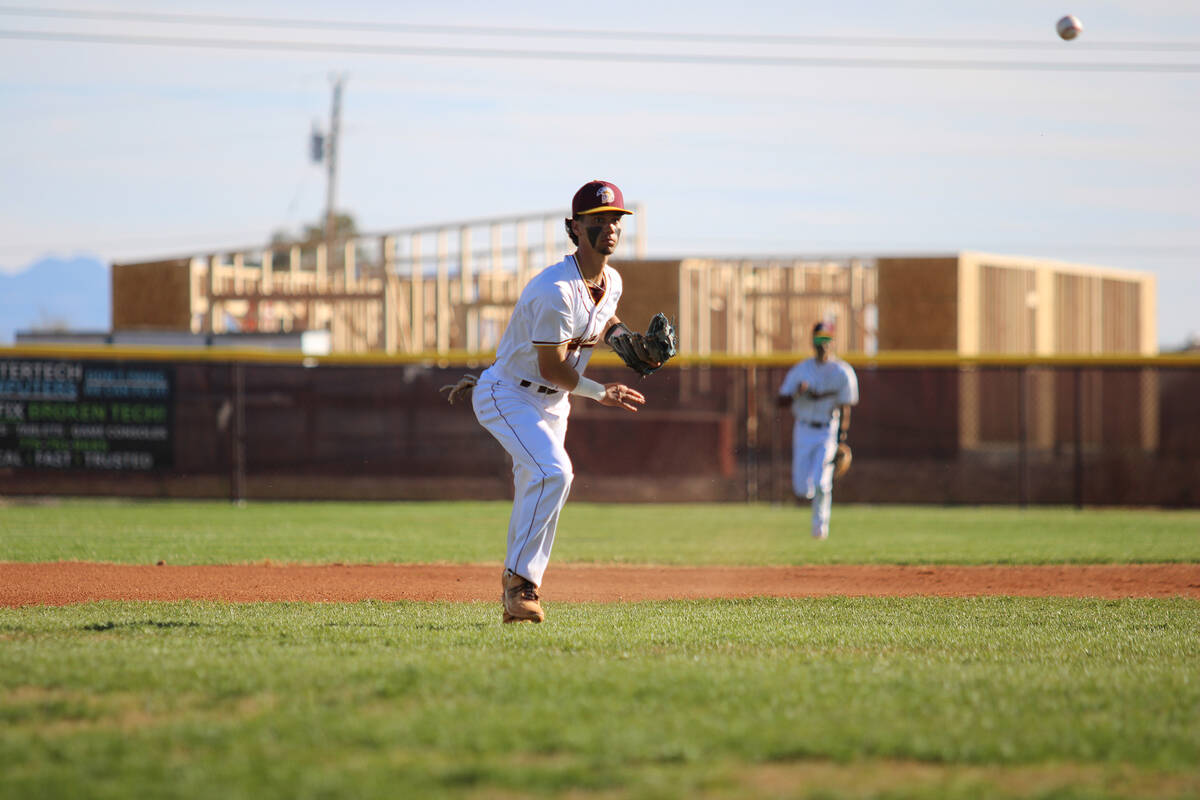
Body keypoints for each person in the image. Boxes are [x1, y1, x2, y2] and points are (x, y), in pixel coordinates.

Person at [445, 180, 653, 623]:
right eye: (598, 220)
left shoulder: (610, 280)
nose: (610, 227)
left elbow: (603, 318)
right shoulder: (554, 290)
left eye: (615, 218)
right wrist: (602, 392)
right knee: (555, 472)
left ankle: (517, 591)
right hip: (509, 393)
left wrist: (626, 341)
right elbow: (552, 368)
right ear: (574, 228)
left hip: (554, 403)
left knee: (538, 485)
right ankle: (521, 584)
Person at [777, 322, 859, 540]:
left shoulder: (842, 371)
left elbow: (845, 407)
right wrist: (797, 393)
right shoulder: (801, 370)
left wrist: (842, 436)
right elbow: (780, 400)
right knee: (803, 490)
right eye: (818, 339)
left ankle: (820, 529)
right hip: (803, 429)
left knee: (822, 482)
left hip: (827, 430)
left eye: (826, 339)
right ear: (813, 342)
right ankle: (815, 511)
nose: (822, 345)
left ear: (832, 342)